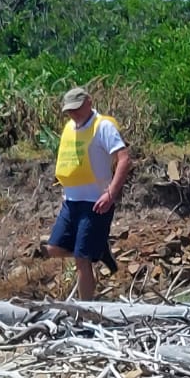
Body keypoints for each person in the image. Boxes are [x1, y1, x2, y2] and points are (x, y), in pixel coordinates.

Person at [45, 86, 132, 300]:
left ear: (89, 102)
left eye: (76, 108)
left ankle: (86, 312)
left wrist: (110, 194)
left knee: (82, 260)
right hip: (71, 202)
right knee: (53, 248)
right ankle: (99, 251)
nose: (73, 114)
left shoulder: (102, 127)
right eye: (69, 110)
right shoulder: (69, 128)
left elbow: (124, 159)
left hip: (95, 202)